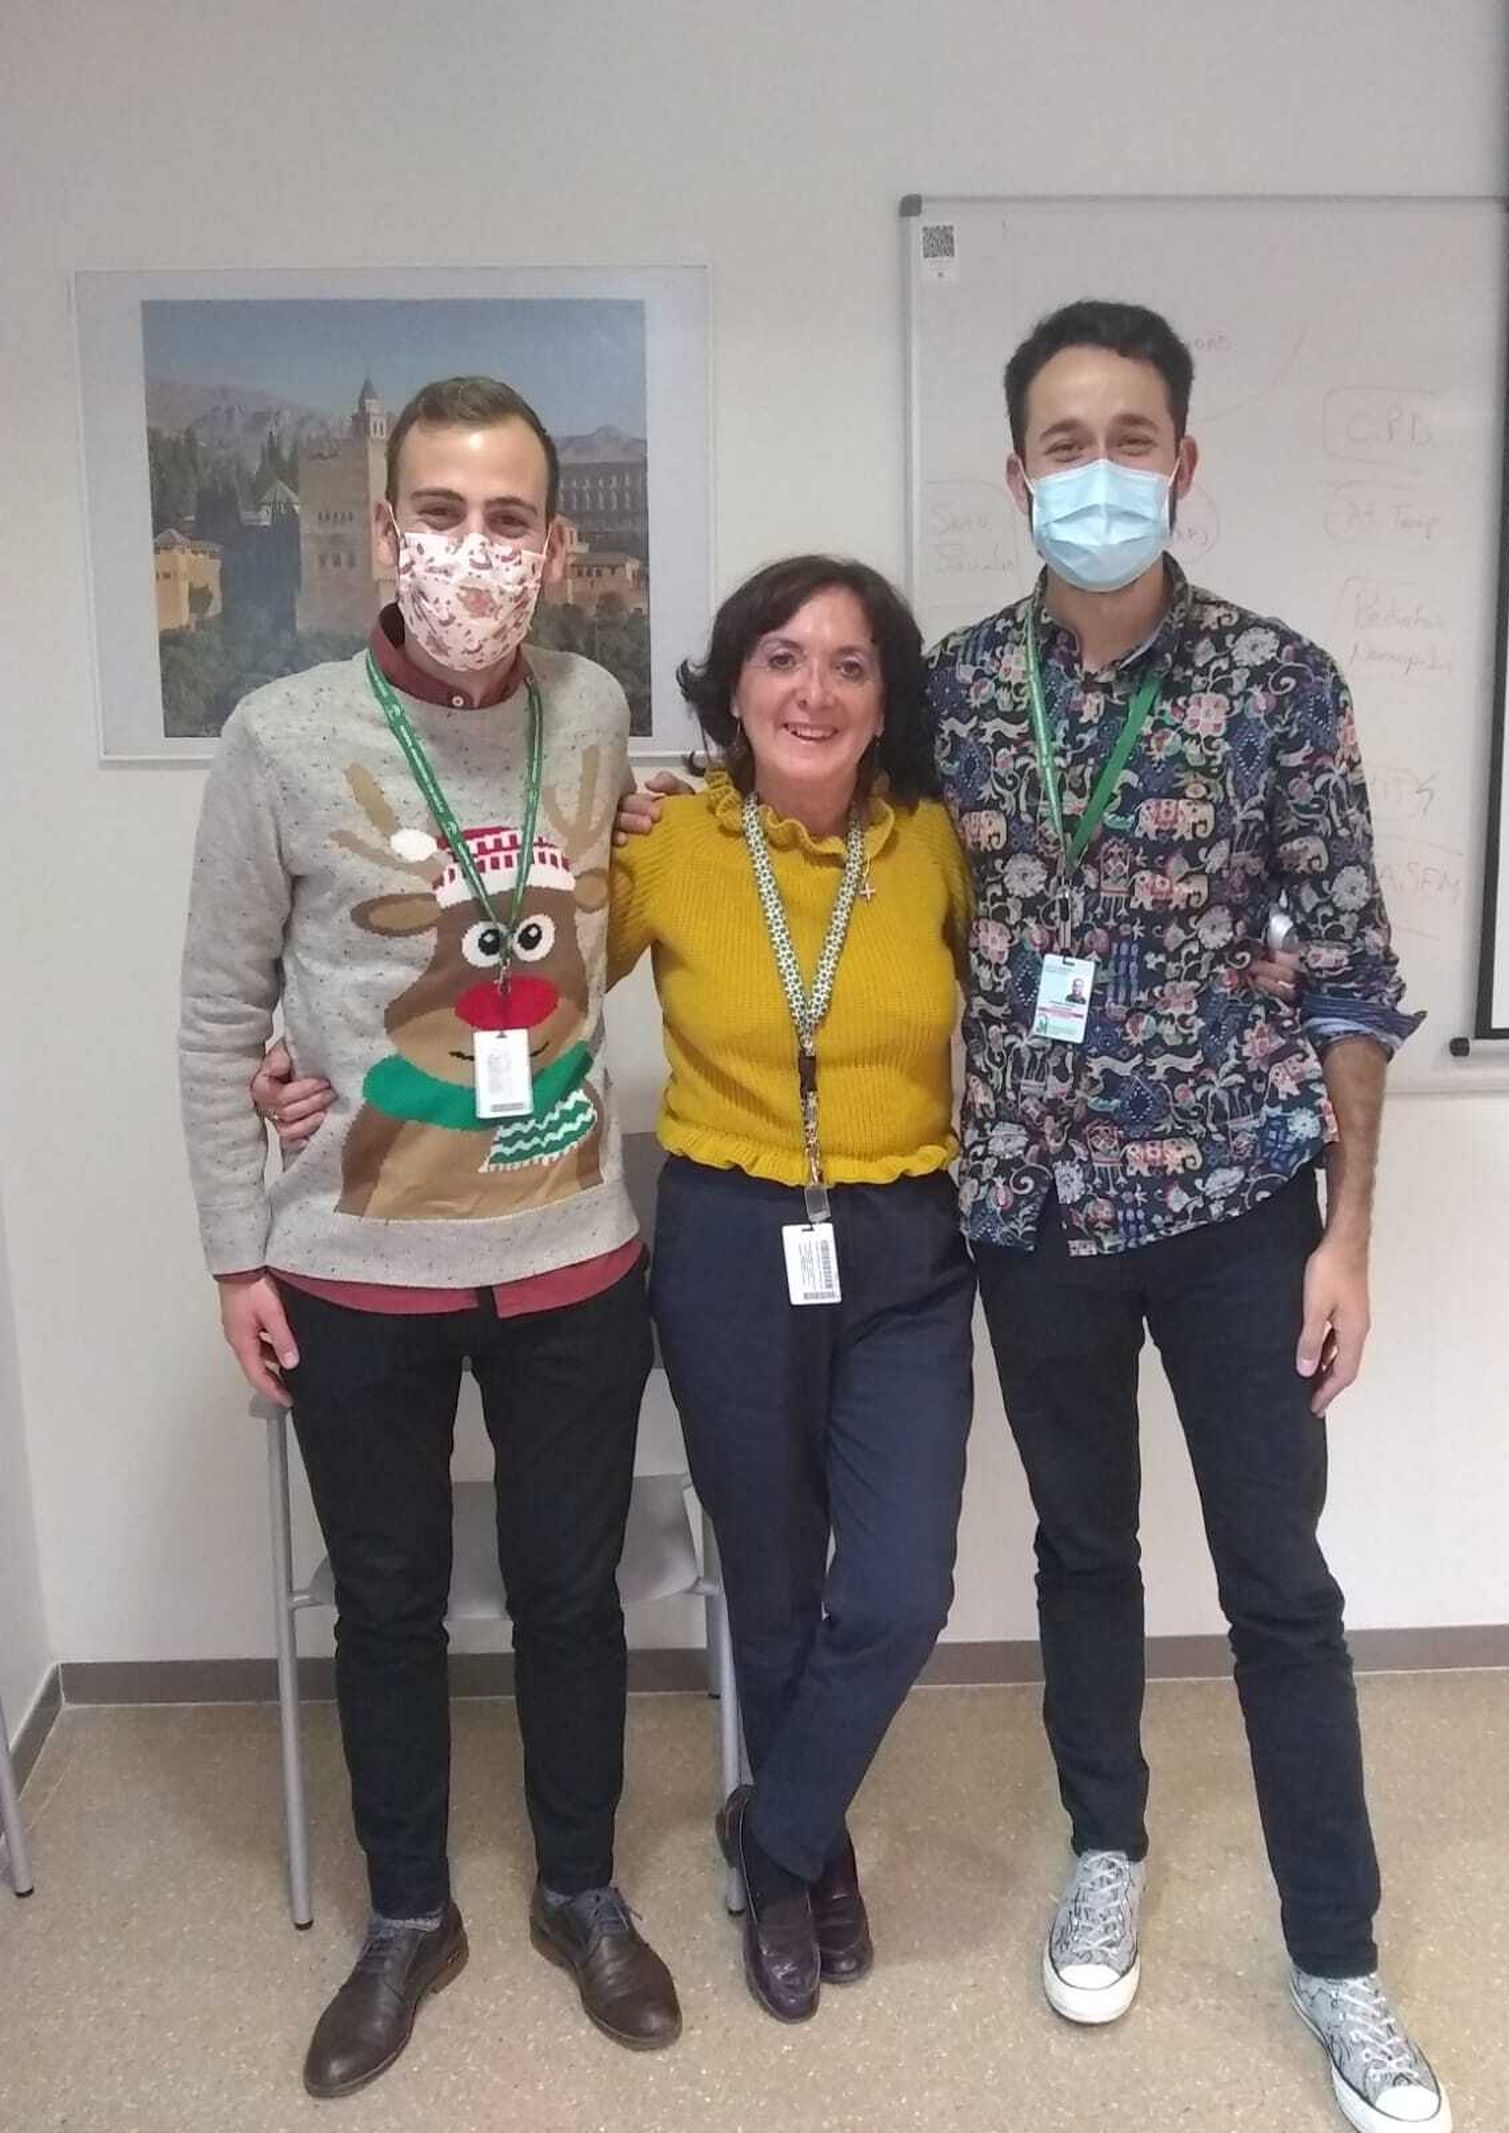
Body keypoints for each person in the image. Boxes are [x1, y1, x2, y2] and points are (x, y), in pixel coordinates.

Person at [261, 554, 977, 2027]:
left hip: (906, 1246)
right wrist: (316, 1067)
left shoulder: (938, 846)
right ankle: (809, 1863)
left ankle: (768, 1828)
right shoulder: (668, 839)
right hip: (724, 1241)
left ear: (886, 694)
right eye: (782, 657)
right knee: (772, 1588)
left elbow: (1032, 1003)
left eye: (850, 664)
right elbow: (518, 981)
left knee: (900, 1589)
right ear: (733, 685)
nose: (815, 690)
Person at [923, 300, 1447, 2133]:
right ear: (1017, 475)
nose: (1097, 472)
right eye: (1063, 444)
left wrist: (1347, 1234)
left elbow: (1358, 977)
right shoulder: (952, 691)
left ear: (1185, 462)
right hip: (1034, 1209)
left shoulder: (1283, 682)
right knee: (1083, 1554)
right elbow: (847, 885)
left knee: (1279, 1590)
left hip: (1237, 1202)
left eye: (1129, 437)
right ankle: (1106, 1844)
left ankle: (1338, 1958)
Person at [178, 375, 681, 2099]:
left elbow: (572, 957)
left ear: (555, 542)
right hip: (352, 1266)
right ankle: (408, 1915)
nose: (478, 551)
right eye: (441, 515)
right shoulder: (281, 733)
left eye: (511, 519)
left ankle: (580, 1887)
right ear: (384, 533)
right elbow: (215, 1006)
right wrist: (238, 1249)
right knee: (385, 1598)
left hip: (570, 1253)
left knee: (569, 1594)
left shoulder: (596, 706)